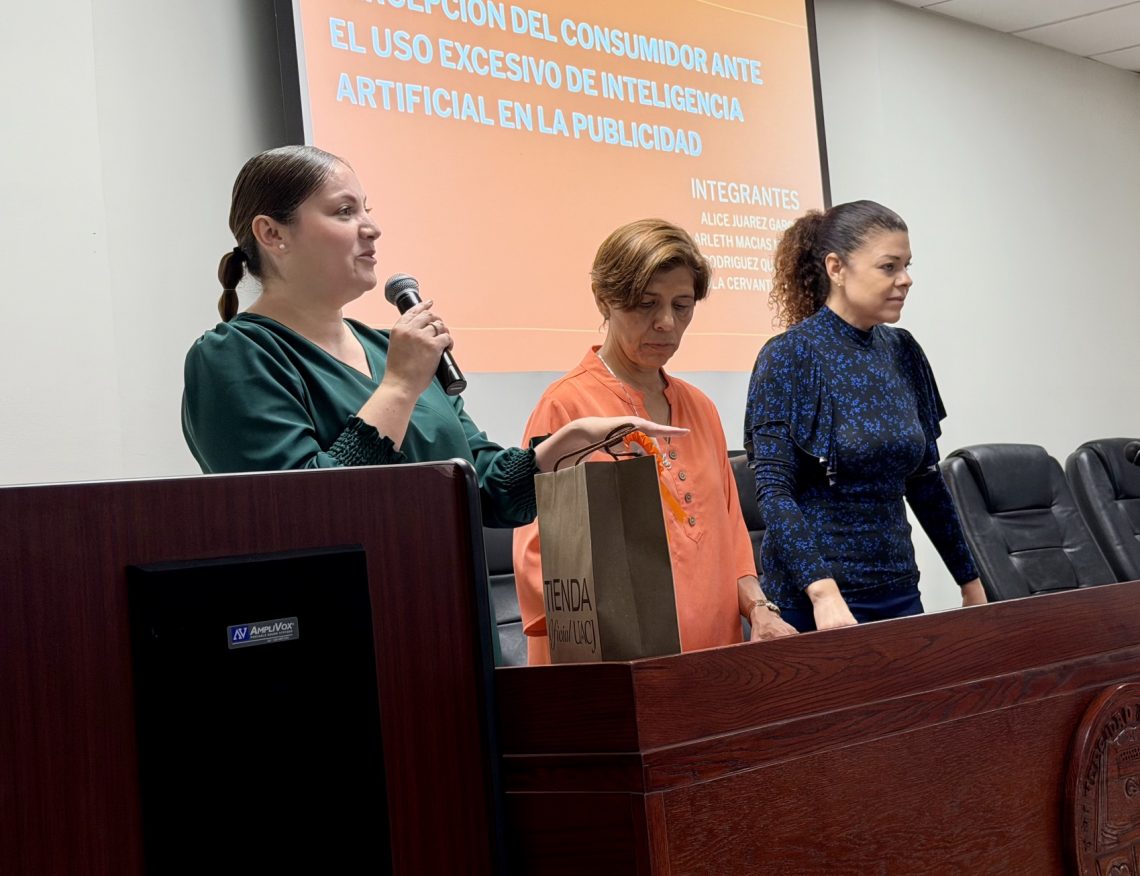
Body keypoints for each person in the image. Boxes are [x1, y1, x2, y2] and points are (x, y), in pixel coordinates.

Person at [182, 145, 681, 527]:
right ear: (273, 234)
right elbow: (303, 515)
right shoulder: (236, 356)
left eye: (366, 209)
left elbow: (485, 491)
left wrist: (559, 449)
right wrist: (399, 387)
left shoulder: (392, 350)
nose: (371, 228)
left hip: (450, 612)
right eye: (344, 212)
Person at [513, 218, 797, 664]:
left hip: (715, 657)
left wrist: (760, 610)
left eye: (682, 306)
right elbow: (540, 559)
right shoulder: (566, 408)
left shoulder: (700, 408)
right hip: (618, 669)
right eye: (646, 304)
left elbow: (730, 536)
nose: (666, 323)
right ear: (604, 299)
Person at [744, 200, 987, 632]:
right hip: (816, 604)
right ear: (836, 268)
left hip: (898, 590)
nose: (905, 279)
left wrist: (971, 583)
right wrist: (824, 594)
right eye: (889, 266)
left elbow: (925, 482)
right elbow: (774, 492)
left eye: (907, 266)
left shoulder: (903, 350)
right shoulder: (789, 356)